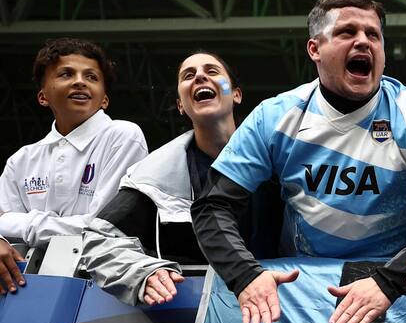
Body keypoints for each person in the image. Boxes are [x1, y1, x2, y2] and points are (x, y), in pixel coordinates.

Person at [191, 0, 406, 323]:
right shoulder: (275, 116)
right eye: (347, 32)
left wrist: (389, 282)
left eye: (374, 35)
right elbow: (211, 206)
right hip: (301, 297)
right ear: (314, 49)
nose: (364, 42)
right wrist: (244, 275)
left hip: (395, 298)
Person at [80, 52, 281, 306]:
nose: (199, 76)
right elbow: (100, 241)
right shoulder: (154, 176)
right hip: (193, 314)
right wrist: (141, 272)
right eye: (188, 75)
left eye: (212, 71)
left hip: (286, 301)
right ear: (181, 106)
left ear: (236, 94)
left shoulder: (283, 161)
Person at [0, 38, 147, 290]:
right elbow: (8, 243)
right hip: (25, 286)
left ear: (104, 100)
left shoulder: (123, 135)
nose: (80, 81)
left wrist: (19, 223)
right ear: (43, 96)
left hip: (104, 286)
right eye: (66, 74)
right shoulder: (21, 160)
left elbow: (102, 229)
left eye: (91, 77)